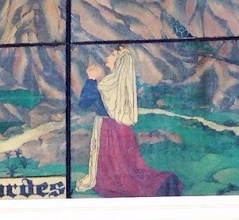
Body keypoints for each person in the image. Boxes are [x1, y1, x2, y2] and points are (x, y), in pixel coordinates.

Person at [75, 47, 183, 197]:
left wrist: (91, 79)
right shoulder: (122, 82)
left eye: (113, 55)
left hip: (109, 129)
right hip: (123, 129)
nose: (108, 56)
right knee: (125, 164)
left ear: (120, 61)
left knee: (117, 169)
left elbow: (84, 104)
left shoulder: (109, 84)